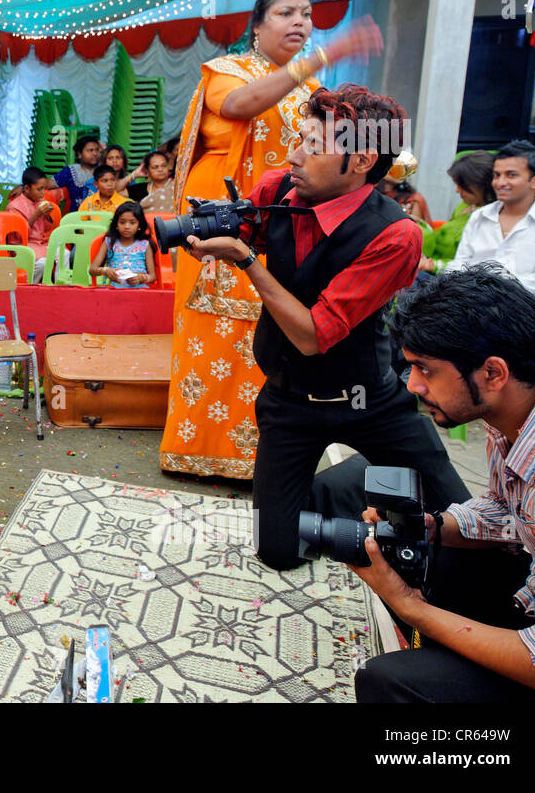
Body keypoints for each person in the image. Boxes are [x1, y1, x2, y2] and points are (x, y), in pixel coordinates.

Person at [179, 84, 469, 568]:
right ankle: (349, 485)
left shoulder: (398, 235)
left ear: (361, 161)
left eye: (313, 146)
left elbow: (314, 335)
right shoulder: (277, 189)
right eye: (299, 138)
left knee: (463, 521)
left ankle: (364, 474)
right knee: (277, 553)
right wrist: (211, 229)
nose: (294, 155)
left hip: (370, 399)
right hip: (290, 399)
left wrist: (247, 260)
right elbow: (244, 229)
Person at [159, 0, 383, 479]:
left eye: (306, 13)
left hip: (282, 223)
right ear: (257, 26)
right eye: (285, 13)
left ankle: (263, 456)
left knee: (272, 334)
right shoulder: (228, 70)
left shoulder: (312, 94)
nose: (299, 21)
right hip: (225, 214)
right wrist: (327, 54)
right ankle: (199, 451)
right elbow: (240, 106)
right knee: (217, 339)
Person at [351, 265, 535, 702]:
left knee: (390, 683)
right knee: (418, 553)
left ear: (493, 373)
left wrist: (414, 609)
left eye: (425, 369)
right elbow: (506, 512)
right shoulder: (517, 418)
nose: (412, 385)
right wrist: (433, 526)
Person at [446, 140, 535, 300]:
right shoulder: (481, 216)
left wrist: (501, 293)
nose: (500, 183)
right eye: (497, 175)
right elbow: (460, 263)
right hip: (471, 305)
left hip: (522, 311)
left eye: (511, 175)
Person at [418, 149, 495, 274]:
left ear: (483, 184)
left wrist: (435, 266)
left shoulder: (491, 219)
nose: (457, 191)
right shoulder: (464, 206)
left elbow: (473, 266)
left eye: (463, 186)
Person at [7, 167, 58, 279]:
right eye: (39, 189)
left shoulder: (41, 201)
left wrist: (47, 215)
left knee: (64, 254)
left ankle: (60, 287)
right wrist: (36, 215)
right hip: (22, 245)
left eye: (44, 189)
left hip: (40, 243)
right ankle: (28, 288)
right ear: (26, 188)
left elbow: (48, 228)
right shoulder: (14, 207)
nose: (43, 193)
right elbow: (18, 236)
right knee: (42, 263)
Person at [90, 201, 156, 289]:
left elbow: (153, 276)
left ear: (139, 225)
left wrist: (141, 278)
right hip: (114, 290)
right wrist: (105, 270)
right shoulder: (109, 242)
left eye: (132, 223)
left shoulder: (145, 244)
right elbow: (92, 270)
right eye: (122, 222)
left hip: (139, 291)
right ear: (116, 224)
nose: (127, 226)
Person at [53, 135, 102, 207]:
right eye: (90, 150)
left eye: (97, 150)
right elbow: (47, 184)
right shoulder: (71, 171)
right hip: (77, 216)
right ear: (79, 154)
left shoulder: (104, 169)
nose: (95, 153)